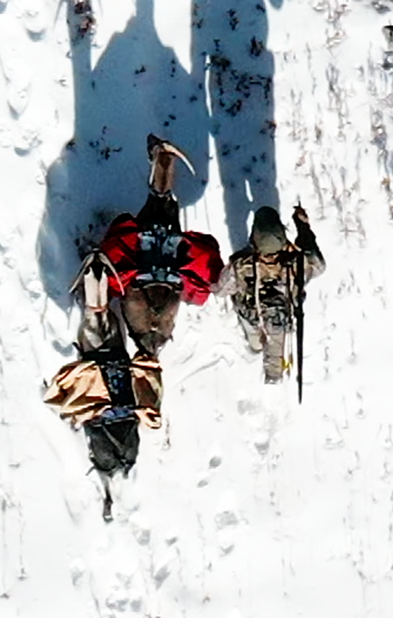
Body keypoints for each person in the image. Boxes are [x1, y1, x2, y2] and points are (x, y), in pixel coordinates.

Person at [43, 261, 162, 520]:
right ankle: (116, 490)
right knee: (98, 317)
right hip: (109, 365)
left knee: (97, 317)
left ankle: (111, 492)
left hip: (110, 364)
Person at [92, 135, 223, 356]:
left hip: (172, 251)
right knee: (157, 202)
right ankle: (162, 159)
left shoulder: (161, 330)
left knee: (161, 204)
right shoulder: (145, 330)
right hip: (144, 250)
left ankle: (163, 161)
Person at [219, 205, 326, 383]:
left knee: (253, 336)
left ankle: (255, 347)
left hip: (253, 317)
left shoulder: (241, 267)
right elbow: (319, 266)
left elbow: (221, 289)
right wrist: (304, 230)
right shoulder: (298, 264)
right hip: (285, 316)